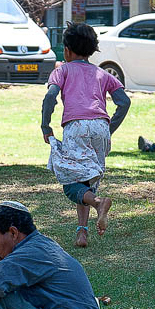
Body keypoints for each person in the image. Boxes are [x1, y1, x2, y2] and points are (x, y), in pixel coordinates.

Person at [40, 22, 131, 248]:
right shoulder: (102, 73)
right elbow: (124, 102)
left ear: (67, 51)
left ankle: (99, 203)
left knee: (71, 182)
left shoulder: (62, 70)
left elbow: (50, 97)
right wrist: (108, 130)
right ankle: (82, 232)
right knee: (86, 182)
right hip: (101, 127)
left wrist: (45, 126)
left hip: (76, 127)